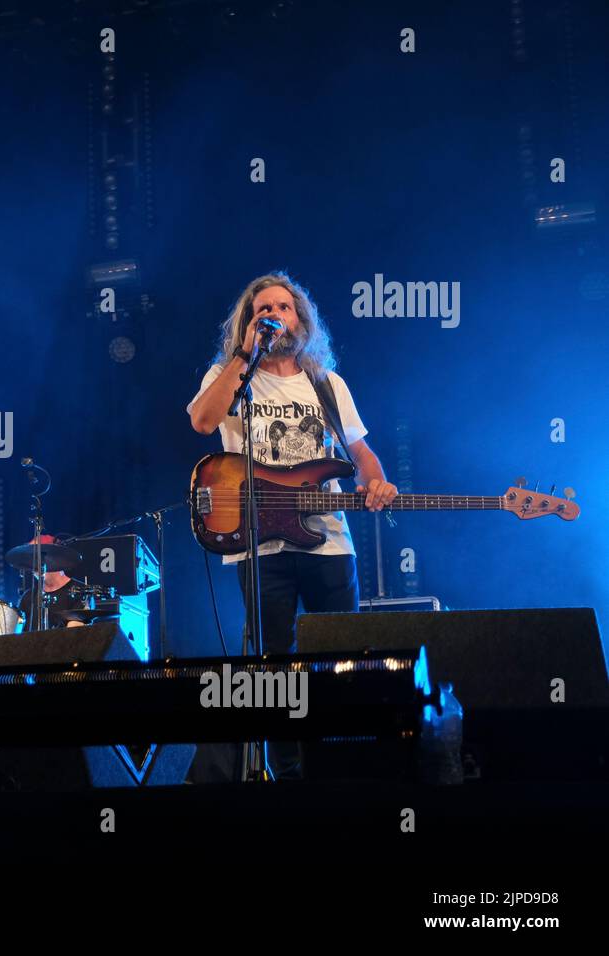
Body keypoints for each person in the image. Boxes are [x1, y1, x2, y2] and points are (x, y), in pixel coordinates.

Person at [187, 273, 398, 778]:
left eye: (284, 306)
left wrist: (378, 482)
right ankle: (289, 777)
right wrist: (242, 356)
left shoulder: (326, 382)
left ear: (300, 318)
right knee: (274, 668)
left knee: (342, 658)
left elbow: (359, 450)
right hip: (260, 544)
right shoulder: (230, 374)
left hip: (328, 539)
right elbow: (201, 421)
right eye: (263, 308)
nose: (274, 314)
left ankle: (344, 768)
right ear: (248, 321)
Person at [16, 534, 89, 630]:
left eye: (37, 558)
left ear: (55, 557)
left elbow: (74, 635)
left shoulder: (80, 592)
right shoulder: (27, 597)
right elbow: (15, 633)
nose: (32, 565)